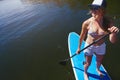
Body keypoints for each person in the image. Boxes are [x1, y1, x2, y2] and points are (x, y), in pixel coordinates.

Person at [76, 0, 119, 80]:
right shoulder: (87, 23)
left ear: (103, 10)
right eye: (92, 7)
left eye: (96, 8)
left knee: (99, 61)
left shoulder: (108, 22)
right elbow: (82, 36)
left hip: (101, 46)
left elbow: (113, 41)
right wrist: (79, 48)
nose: (92, 10)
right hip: (89, 46)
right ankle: (85, 72)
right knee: (88, 63)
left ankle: (98, 69)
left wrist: (113, 33)